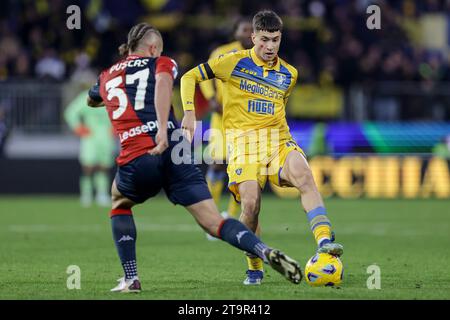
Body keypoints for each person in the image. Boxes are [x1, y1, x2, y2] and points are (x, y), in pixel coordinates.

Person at [87, 22, 302, 293]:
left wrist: (108, 96)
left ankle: (131, 279)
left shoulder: (107, 76)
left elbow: (92, 99)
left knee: (119, 201)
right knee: (214, 222)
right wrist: (164, 127)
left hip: (139, 150)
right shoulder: (162, 62)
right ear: (154, 48)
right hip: (177, 149)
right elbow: (164, 82)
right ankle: (263, 250)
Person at [181, 10, 343, 286]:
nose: (270, 46)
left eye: (276, 40)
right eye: (264, 40)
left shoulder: (289, 74)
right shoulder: (232, 62)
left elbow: (278, 108)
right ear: (253, 37)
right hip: (244, 146)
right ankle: (254, 266)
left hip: (278, 141)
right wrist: (188, 113)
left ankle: (325, 242)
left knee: (304, 175)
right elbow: (188, 78)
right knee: (251, 204)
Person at [199, 18, 253, 241]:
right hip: (222, 118)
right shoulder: (222, 53)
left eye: (252, 30)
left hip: (247, 120)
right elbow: (203, 76)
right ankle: (211, 218)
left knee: (241, 168)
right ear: (236, 32)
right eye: (245, 29)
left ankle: (233, 217)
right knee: (218, 162)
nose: (249, 33)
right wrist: (211, 99)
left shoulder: (262, 56)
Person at [64, 85, 115, 207]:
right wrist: (77, 127)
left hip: (106, 137)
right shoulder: (85, 98)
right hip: (90, 137)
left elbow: (122, 113)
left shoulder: (112, 97)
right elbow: (70, 112)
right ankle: (86, 194)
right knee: (88, 166)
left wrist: (117, 128)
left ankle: (102, 194)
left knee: (104, 166)